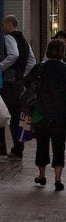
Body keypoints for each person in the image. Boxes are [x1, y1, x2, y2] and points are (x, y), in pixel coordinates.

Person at [25, 38, 66, 190]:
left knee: (41, 144)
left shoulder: (39, 68)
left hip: (41, 113)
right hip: (61, 114)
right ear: (63, 53)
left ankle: (41, 175)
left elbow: (26, 82)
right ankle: (58, 177)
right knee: (59, 145)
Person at [0, 14, 37, 161]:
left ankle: (10, 148)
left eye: (3, 25)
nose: (2, 28)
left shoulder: (9, 38)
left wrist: (1, 66)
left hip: (9, 82)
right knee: (16, 114)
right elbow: (31, 61)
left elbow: (13, 54)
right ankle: (18, 147)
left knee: (3, 113)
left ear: (10, 25)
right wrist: (23, 74)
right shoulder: (24, 40)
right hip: (19, 82)